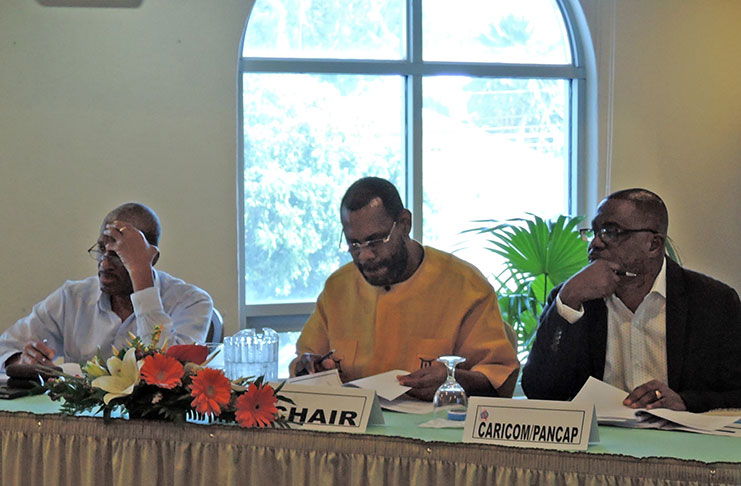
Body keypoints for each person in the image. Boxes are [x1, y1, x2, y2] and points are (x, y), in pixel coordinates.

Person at [292, 177, 519, 400]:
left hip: (435, 430)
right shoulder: (338, 288)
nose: (365, 255)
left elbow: (500, 378)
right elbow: (305, 361)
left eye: (375, 241)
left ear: (404, 224)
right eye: (354, 244)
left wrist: (454, 379)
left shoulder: (465, 286)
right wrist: (309, 368)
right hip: (355, 431)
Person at [521, 189, 740, 412]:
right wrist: (567, 303)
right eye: (594, 232)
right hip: (603, 441)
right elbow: (539, 391)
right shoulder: (575, 297)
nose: (595, 243)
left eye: (611, 232)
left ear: (653, 245)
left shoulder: (714, 302)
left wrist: (685, 402)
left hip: (685, 441)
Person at [0, 203, 213, 370]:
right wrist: (22, 361)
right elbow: (6, 347)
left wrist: (141, 276)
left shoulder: (191, 302)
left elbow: (170, 371)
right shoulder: (72, 298)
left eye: (118, 255)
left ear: (151, 258)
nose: (104, 263)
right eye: (101, 250)